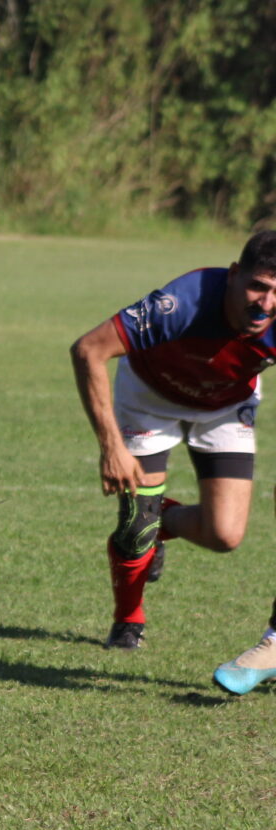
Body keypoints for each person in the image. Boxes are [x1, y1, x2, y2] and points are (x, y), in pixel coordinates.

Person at [70, 231, 276, 650]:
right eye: (258, 286)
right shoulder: (183, 302)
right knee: (134, 528)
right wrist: (111, 446)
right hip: (150, 397)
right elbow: (88, 349)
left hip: (224, 406)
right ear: (235, 275)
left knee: (225, 535)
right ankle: (128, 620)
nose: (266, 303)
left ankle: (154, 520)